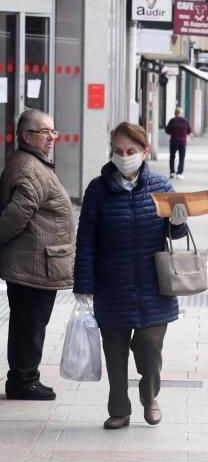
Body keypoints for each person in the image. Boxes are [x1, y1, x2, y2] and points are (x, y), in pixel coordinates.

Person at [73, 122, 189, 430]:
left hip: (154, 285)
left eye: (131, 151)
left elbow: (176, 233)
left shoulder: (161, 186)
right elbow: (86, 239)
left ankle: (150, 397)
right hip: (112, 285)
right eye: (118, 151)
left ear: (145, 151)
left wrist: (179, 221)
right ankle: (119, 409)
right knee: (114, 351)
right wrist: (83, 284)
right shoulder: (98, 190)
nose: (124, 157)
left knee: (150, 347)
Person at [0, 109, 74, 401]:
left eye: (53, 132)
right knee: (30, 324)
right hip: (34, 264)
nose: (52, 138)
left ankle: (24, 376)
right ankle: (23, 380)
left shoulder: (30, 163)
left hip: (37, 261)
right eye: (45, 132)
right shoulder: (30, 168)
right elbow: (17, 214)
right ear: (26, 136)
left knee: (27, 322)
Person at [165, 107, 191, 179]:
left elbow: (167, 130)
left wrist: (173, 133)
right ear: (181, 113)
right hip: (182, 142)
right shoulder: (185, 121)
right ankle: (179, 173)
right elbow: (189, 131)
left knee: (172, 157)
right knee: (181, 157)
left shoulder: (172, 121)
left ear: (175, 113)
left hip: (173, 141)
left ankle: (172, 172)